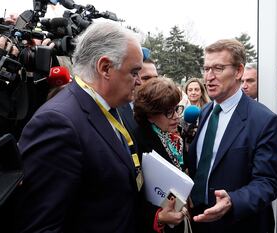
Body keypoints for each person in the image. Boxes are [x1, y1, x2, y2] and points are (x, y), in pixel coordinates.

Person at [13, 21, 143, 233]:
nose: (138, 81)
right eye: (134, 71)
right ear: (105, 68)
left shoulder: (112, 108)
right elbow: (41, 226)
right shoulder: (58, 124)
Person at [188, 39, 277, 233]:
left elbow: (268, 182)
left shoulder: (263, 120)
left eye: (218, 68)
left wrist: (232, 201)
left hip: (238, 224)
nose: (209, 77)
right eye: (206, 69)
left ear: (239, 71)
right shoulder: (205, 112)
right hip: (200, 220)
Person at [242, 62, 277, 233]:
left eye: (250, 81)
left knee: (274, 216)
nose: (244, 85)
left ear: (262, 81)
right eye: (243, 81)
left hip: (272, 177)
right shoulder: (240, 107)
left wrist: (266, 145)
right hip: (247, 178)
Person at [133, 78, 186, 233]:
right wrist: (158, 217)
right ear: (149, 115)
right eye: (169, 112)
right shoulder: (138, 141)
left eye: (177, 109)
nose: (176, 116)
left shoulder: (173, 136)